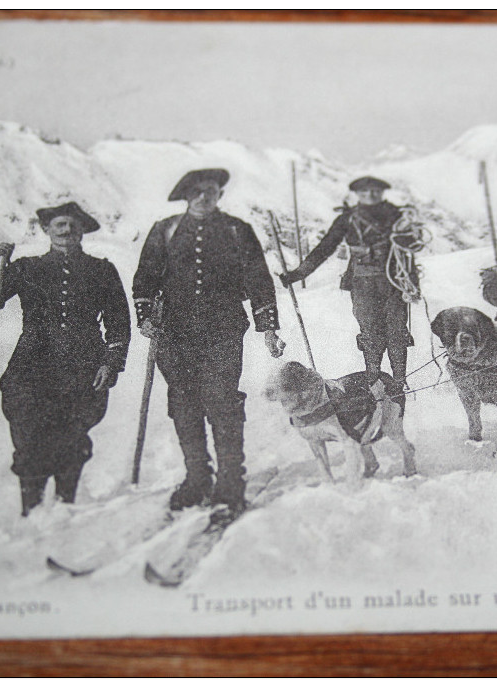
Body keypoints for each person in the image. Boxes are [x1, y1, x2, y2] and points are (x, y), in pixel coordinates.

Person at [132, 168, 285, 521]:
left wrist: (269, 327)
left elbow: (259, 279)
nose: (205, 197)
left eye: (212, 191)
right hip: (174, 333)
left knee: (223, 402)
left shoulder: (236, 230)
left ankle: (231, 482)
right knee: (183, 403)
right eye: (198, 191)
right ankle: (197, 478)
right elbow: (145, 277)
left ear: (220, 195)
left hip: (223, 330)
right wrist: (145, 315)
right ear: (186, 195)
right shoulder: (165, 230)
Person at [0, 202, 131, 516]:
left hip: (83, 366)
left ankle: (63, 512)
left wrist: (111, 362)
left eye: (73, 225)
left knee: (72, 438)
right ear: (47, 230)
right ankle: (32, 513)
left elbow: (118, 321)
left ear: (82, 230)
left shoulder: (102, 270)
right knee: (29, 436)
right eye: (60, 225)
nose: (67, 231)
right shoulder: (28, 268)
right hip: (31, 366)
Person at [278, 176, 421, 401]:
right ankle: (374, 383)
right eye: (366, 192)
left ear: (382, 192)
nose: (371, 195)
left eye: (376, 191)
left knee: (396, 333)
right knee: (371, 334)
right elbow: (325, 248)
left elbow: (410, 249)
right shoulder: (348, 219)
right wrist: (299, 273)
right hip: (363, 284)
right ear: (358, 194)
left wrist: (413, 284)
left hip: (395, 284)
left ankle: (399, 385)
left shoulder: (397, 216)